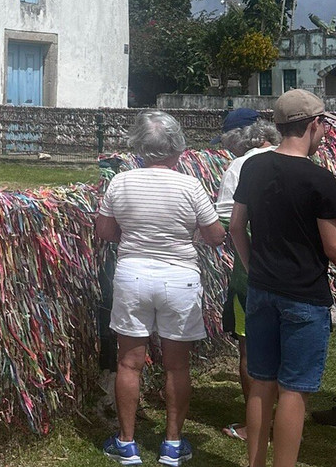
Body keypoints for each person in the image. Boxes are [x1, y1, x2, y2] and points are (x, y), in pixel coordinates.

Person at [97, 110, 226, 466]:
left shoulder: (120, 183)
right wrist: (185, 236)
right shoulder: (190, 186)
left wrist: (136, 238)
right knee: (176, 366)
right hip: (179, 277)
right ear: (178, 148)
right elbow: (216, 235)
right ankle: (171, 443)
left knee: (129, 362)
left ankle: (126, 443)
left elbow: (105, 232)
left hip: (133, 274)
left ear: (139, 146)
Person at [229, 89, 336, 467]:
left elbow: (237, 226)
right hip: (305, 295)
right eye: (323, 124)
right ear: (312, 125)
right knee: (295, 390)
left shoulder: (253, 167)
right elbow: (332, 248)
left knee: (261, 382)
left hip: (261, 288)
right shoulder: (321, 181)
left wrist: (252, 265)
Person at [213, 119, 281, 441]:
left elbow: (228, 220)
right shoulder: (300, 162)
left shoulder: (238, 166)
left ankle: (255, 423)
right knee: (283, 347)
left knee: (250, 350)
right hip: (291, 271)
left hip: (250, 267)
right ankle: (282, 419)